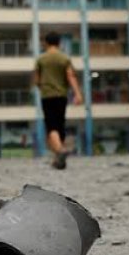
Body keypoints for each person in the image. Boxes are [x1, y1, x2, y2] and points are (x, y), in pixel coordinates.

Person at [33, 32, 83, 170]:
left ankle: (60, 151)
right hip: (62, 96)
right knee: (60, 125)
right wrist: (78, 93)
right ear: (59, 43)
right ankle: (58, 159)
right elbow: (70, 76)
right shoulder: (64, 58)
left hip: (47, 96)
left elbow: (36, 80)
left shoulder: (41, 59)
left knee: (51, 126)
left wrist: (41, 86)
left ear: (46, 43)